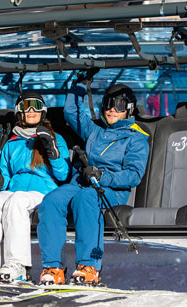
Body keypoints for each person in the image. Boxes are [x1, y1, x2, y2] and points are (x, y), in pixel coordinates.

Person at [37, 78, 150, 285]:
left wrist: (102, 176)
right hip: (80, 182)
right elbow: (72, 112)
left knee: (86, 198)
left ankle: (89, 265)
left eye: (120, 106)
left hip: (109, 189)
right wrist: (80, 83)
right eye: (108, 105)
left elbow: (134, 175)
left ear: (129, 109)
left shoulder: (136, 138)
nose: (112, 110)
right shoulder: (96, 131)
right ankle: (52, 266)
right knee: (51, 201)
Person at [0, 91, 70, 282]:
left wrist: (52, 151)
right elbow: (7, 181)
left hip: (44, 193)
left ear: (43, 112)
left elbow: (63, 175)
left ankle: (18, 265)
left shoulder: (55, 139)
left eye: (36, 106)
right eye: (25, 106)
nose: (31, 110)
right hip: (16, 192)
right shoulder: (11, 144)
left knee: (17, 201)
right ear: (18, 112)